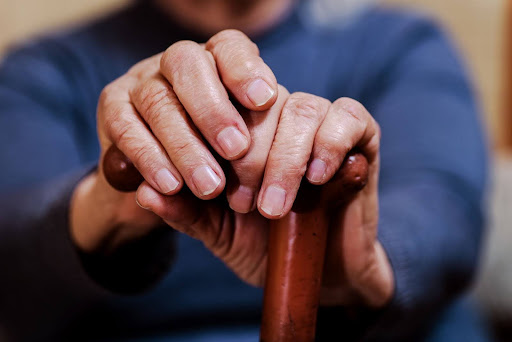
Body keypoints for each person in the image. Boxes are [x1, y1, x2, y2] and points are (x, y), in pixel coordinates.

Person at [0, 0, 489, 341]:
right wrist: (113, 202)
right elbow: (12, 256)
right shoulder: (43, 70)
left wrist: (364, 270)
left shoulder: (399, 44)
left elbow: (446, 209)